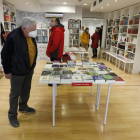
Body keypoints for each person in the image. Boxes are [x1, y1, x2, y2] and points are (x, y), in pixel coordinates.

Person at [1, 17, 37, 128]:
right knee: (15, 94)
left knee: (26, 90)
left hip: (28, 69)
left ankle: (23, 106)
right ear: (24, 28)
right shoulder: (13, 36)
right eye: (32, 30)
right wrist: (7, 71)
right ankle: (12, 115)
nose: (34, 32)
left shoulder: (29, 35)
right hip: (17, 71)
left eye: (34, 29)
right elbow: (4, 54)